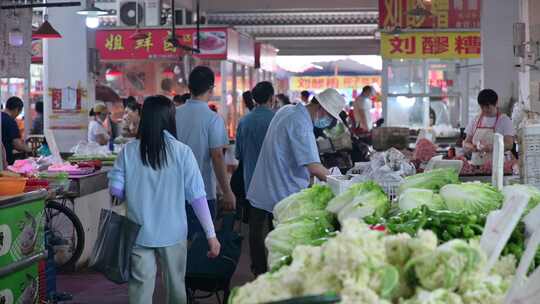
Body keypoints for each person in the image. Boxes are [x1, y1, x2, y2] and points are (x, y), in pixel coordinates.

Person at [108, 95, 220, 304]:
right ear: (169, 118)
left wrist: (136, 191)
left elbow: (116, 190)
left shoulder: (129, 151)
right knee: (176, 288)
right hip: (174, 232)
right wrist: (211, 235)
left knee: (140, 291)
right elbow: (197, 196)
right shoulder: (182, 152)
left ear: (145, 118)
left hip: (139, 233)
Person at [247, 88, 343, 272]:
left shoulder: (288, 110)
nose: (328, 122)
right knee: (278, 244)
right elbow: (314, 167)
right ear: (321, 109)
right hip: (280, 191)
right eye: (329, 117)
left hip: (265, 186)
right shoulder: (300, 123)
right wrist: (341, 181)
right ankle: (269, 282)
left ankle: (260, 274)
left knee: (261, 239)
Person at [176, 66, 236, 239]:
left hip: (174, 191)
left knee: (178, 242)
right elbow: (217, 157)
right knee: (200, 242)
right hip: (202, 192)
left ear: (189, 87)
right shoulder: (213, 119)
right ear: (211, 89)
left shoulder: (173, 114)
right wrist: (227, 191)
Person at [235, 81, 276, 275]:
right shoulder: (277, 119)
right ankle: (278, 265)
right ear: (271, 98)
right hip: (277, 183)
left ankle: (258, 269)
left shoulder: (244, 121)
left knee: (255, 229)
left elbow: (239, 154)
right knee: (278, 226)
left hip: (252, 183)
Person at [463, 89, 515, 165]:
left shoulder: (504, 120)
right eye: (482, 107)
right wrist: (472, 147)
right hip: (476, 165)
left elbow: (509, 144)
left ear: (496, 103)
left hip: (497, 166)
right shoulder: (475, 120)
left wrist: (492, 147)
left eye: (487, 107)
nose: (484, 110)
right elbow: (466, 142)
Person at [1, 97, 31, 164]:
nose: (17, 115)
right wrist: (30, 150)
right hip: (5, 160)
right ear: (17, 109)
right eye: (19, 112)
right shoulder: (10, 122)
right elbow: (17, 144)